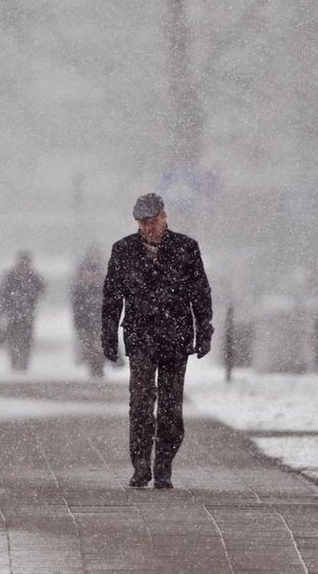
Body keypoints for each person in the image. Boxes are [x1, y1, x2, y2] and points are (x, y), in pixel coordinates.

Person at [102, 193, 213, 489]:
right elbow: (112, 297)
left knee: (170, 407)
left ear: (164, 216)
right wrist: (109, 334)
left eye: (152, 222)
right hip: (140, 336)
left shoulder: (186, 249)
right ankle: (140, 464)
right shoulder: (123, 250)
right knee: (140, 402)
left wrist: (205, 330)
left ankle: (163, 463)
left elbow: (200, 293)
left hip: (175, 337)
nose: (147, 228)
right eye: (142, 223)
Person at [0, 251, 46, 372]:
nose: (25, 265)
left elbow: (43, 289)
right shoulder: (10, 277)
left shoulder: (34, 277)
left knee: (26, 342)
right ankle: (14, 363)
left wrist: (31, 295)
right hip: (13, 316)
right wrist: (3, 310)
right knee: (13, 341)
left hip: (28, 316)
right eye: (23, 262)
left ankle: (23, 365)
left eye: (27, 263)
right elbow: (2, 295)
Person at [71, 249, 106, 378]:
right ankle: (93, 370)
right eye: (88, 272)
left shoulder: (102, 288)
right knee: (89, 348)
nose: (90, 275)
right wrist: (79, 324)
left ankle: (99, 370)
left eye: (93, 273)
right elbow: (76, 309)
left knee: (99, 348)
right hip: (85, 324)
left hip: (100, 324)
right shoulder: (79, 290)